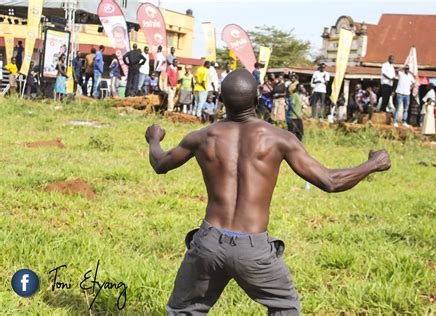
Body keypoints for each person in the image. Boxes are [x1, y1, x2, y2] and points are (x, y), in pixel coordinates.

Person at [145, 69, 391, 315]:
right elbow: (330, 181)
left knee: (184, 310)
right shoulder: (279, 138)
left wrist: (154, 138)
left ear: (220, 99)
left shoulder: (201, 137)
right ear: (256, 100)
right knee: (285, 307)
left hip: (208, 243)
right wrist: (374, 163)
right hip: (254, 249)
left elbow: (160, 163)